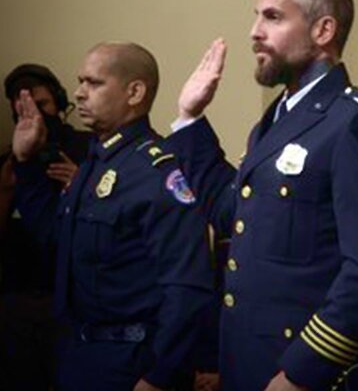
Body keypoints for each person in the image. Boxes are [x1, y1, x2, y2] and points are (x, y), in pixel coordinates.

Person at [171, 0, 358, 391]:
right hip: (253, 362)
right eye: (256, 16)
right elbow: (233, 215)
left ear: (323, 30)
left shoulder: (354, 121)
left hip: (312, 373)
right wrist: (189, 122)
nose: (255, 32)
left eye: (273, 18)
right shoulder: (278, 120)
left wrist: (304, 369)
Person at [10, 43, 216, 390]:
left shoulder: (157, 172)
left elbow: (187, 289)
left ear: (134, 92)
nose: (78, 93)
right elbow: (53, 234)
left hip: (133, 363)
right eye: (79, 82)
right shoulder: (96, 163)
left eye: (93, 83)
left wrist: (159, 377)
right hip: (79, 353)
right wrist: (26, 163)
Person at [0, 64, 92, 391]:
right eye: (25, 109)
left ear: (59, 102)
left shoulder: (89, 150)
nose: (37, 115)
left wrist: (82, 184)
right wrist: (8, 188)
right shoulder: (10, 162)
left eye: (43, 105)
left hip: (73, 306)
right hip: (17, 303)